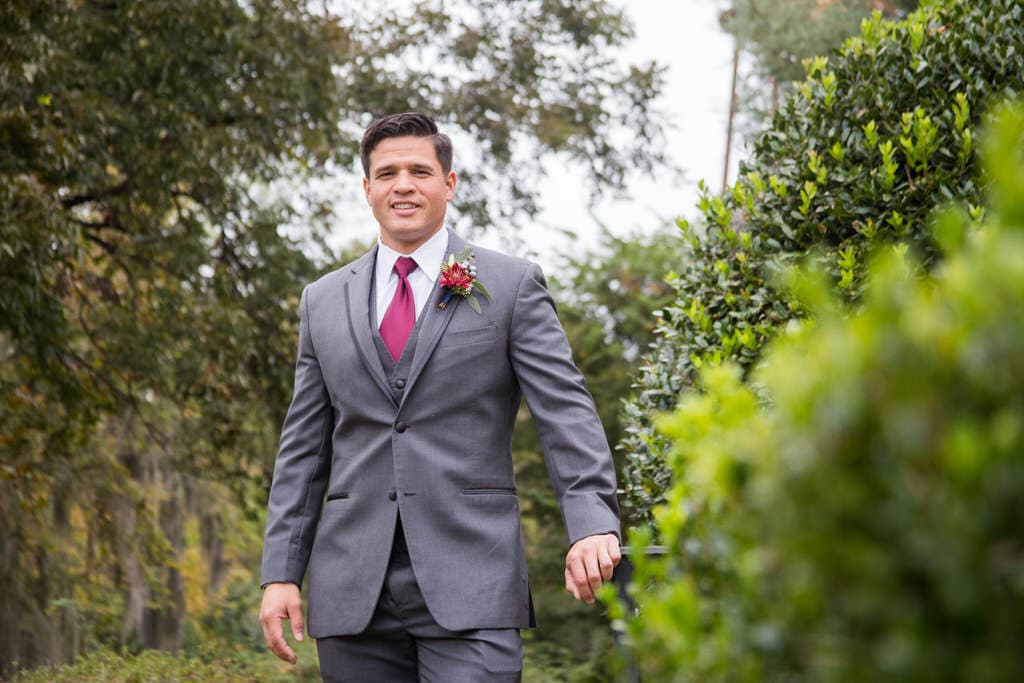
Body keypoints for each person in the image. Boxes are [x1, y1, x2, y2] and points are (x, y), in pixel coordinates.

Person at [258, 112, 621, 682]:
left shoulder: (510, 286)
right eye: (387, 173)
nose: (403, 184)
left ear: (448, 185)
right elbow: (303, 450)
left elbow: (565, 411)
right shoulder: (321, 301)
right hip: (353, 592)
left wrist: (592, 520)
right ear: (368, 189)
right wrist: (281, 572)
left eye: (420, 171)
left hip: (472, 580)